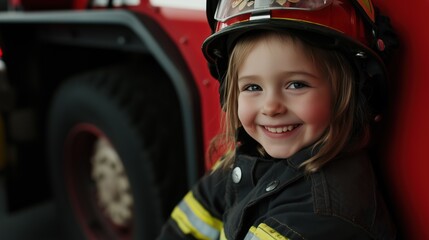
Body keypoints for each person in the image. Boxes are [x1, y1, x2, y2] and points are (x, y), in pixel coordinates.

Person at [158, 0, 397, 239]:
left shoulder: (320, 217)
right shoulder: (244, 161)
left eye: (296, 85)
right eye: (253, 87)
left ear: (347, 93)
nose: (271, 107)